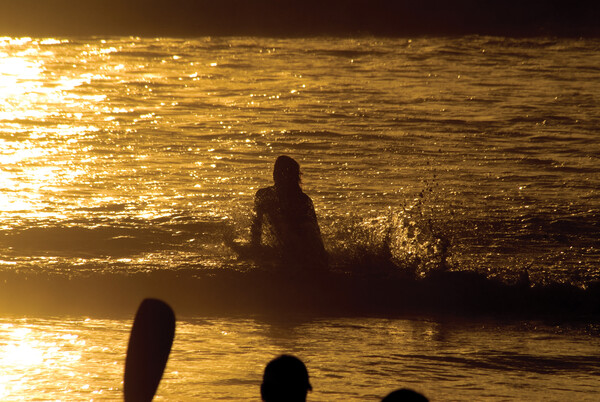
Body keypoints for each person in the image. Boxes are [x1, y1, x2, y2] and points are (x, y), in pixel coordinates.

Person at [250, 155, 328, 270]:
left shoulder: (301, 200)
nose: (276, 175)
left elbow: (314, 234)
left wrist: (255, 250)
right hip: (296, 252)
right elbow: (256, 227)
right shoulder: (266, 195)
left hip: (299, 251)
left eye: (280, 172)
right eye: (276, 171)